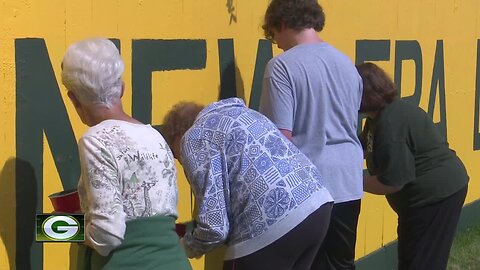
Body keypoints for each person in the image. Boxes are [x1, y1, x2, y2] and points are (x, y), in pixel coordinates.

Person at [61, 38, 191, 270]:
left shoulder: (96, 140)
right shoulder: (154, 136)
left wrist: (57, 227)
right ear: (121, 88)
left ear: (73, 98)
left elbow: (107, 234)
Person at [162, 98, 334, 270]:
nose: (180, 161)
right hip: (316, 204)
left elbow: (215, 227)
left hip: (272, 222)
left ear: (177, 136)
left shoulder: (193, 138)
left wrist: (182, 248)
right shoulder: (244, 115)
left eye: (176, 154)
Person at [259, 0, 364, 268]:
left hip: (309, 189)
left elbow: (279, 139)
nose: (278, 44)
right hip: (349, 181)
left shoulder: (281, 67)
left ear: (281, 24)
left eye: (273, 35)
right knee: (340, 264)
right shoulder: (346, 64)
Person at [357, 62, 469, 270]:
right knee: (412, 259)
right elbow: (359, 147)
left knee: (422, 262)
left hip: (436, 195)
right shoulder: (378, 119)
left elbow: (392, 182)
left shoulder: (390, 123)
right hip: (421, 199)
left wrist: (350, 180)